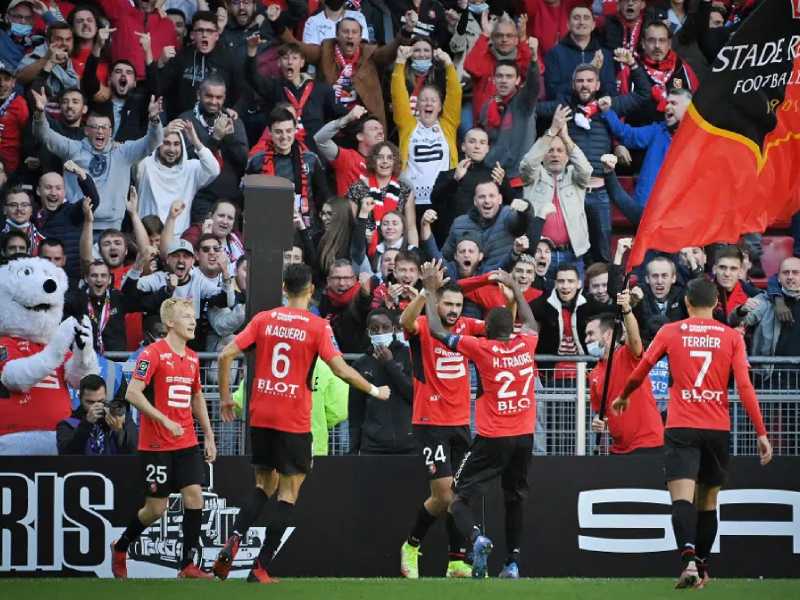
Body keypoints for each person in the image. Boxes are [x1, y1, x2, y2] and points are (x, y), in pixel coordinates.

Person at [212, 263, 390, 583]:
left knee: (262, 486)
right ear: (310, 291)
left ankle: (234, 542)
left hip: (261, 414)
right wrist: (375, 390)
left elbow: (225, 355)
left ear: (284, 287)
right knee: (288, 493)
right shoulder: (317, 326)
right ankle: (260, 567)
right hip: (293, 418)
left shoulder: (264, 319)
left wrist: (226, 397)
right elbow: (340, 370)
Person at [612, 278, 772, 588]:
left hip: (682, 425)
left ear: (686, 302)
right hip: (717, 428)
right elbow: (744, 386)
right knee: (709, 501)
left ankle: (688, 561)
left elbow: (642, 366)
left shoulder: (671, 332)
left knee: (681, 500)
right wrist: (761, 432)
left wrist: (625, 394)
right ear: (716, 304)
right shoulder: (731, 338)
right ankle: (703, 565)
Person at [422, 263, 540, 579]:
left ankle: (477, 538)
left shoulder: (481, 347)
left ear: (486, 328)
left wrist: (431, 291)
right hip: (525, 437)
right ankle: (512, 563)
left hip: (493, 438)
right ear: (513, 328)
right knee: (515, 498)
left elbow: (437, 332)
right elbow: (530, 321)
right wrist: (515, 288)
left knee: (457, 498)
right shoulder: (527, 344)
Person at [111, 297, 217, 580]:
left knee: (195, 497)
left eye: (193, 316)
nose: (193, 321)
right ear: (170, 322)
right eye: (186, 316)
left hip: (186, 442)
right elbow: (132, 393)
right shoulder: (152, 354)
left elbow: (197, 396)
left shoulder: (193, 358)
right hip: (156, 444)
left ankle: (187, 566)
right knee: (155, 509)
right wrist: (163, 419)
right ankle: (121, 547)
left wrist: (208, 435)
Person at [397, 262, 486, 578]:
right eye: (447, 303)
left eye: (458, 304)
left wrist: (508, 294)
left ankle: (456, 561)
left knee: (459, 493)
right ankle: (411, 545)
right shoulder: (422, 324)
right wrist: (426, 291)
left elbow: (500, 329)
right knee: (445, 494)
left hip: (461, 421)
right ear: (437, 304)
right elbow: (403, 320)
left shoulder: (467, 327)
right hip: (430, 421)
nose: (453, 309)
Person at [31, 87, 164, 232]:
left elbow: (153, 141)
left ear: (111, 131)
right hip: (78, 226)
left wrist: (154, 120)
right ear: (86, 130)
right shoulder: (73, 148)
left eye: (104, 127)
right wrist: (39, 113)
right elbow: (44, 135)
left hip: (112, 228)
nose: (100, 131)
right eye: (94, 127)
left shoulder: (124, 152)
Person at [586, 293, 664, 455]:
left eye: (591, 334)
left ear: (608, 335)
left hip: (647, 443)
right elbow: (604, 413)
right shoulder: (593, 373)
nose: (586, 339)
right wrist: (600, 422)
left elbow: (634, 338)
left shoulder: (627, 355)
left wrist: (627, 309)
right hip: (618, 448)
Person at [520, 105, 592, 276]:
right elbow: (528, 164)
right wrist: (552, 131)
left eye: (560, 151)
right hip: (539, 254)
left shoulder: (575, 176)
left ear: (567, 157)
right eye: (550, 151)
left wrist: (565, 137)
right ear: (543, 156)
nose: (555, 155)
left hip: (572, 254)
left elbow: (586, 170)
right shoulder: (533, 177)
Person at [392, 44, 461, 212]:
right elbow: (398, 94)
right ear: (417, 105)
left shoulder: (448, 125)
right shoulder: (407, 125)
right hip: (411, 200)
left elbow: (455, 93)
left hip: (443, 198)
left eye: (433, 100)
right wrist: (400, 62)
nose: (428, 103)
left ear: (440, 107)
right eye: (423, 100)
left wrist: (449, 64)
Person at [600, 87, 691, 213]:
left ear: (689, 109)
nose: (667, 107)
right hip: (647, 210)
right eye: (667, 103)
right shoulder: (657, 131)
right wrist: (607, 111)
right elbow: (627, 134)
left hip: (678, 213)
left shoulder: (698, 140)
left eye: (674, 103)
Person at [136, 118, 220, 236]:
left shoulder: (191, 169)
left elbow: (214, 169)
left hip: (178, 240)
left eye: (176, 144)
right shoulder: (146, 164)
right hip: (147, 237)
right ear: (159, 145)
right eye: (166, 143)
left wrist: (195, 140)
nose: (172, 149)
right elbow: (135, 152)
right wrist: (162, 132)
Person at [430, 127, 513, 245]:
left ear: (487, 148)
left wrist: (503, 184)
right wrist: (455, 180)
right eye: (472, 141)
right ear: (463, 146)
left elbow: (512, 206)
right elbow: (434, 200)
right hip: (453, 242)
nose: (477, 146)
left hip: (487, 242)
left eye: (482, 142)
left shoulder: (496, 175)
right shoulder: (449, 175)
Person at [349, 308, 415, 455]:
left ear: (393, 329)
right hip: (373, 447)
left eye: (385, 328)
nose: (380, 332)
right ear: (368, 332)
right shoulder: (360, 364)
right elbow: (355, 412)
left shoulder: (408, 356)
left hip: (409, 445)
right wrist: (353, 451)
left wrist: (390, 364)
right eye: (375, 329)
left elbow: (414, 395)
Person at [441, 179, 533, 272]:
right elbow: (445, 257)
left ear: (500, 199)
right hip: (468, 283)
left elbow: (521, 224)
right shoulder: (459, 224)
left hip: (500, 281)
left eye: (491, 196)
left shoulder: (508, 215)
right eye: (482, 197)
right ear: (475, 201)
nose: (487, 200)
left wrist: (524, 209)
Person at [544, 5, 616, 100]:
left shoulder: (605, 54)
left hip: (597, 110)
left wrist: (596, 74)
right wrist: (590, 68)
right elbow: (552, 92)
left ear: (593, 25)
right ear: (568, 25)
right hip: (566, 110)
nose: (581, 22)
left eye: (586, 18)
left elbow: (611, 91)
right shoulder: (554, 53)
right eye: (576, 18)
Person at [57, 373, 138, 455]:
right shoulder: (68, 424)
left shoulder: (119, 416)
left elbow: (134, 450)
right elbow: (66, 454)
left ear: (106, 396)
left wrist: (119, 431)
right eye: (90, 402)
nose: (96, 406)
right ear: (80, 398)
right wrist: (86, 424)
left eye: (100, 401)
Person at [314, 104, 386, 195]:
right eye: (374, 129)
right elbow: (320, 139)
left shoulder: (386, 164)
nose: (380, 132)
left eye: (382, 130)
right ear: (360, 136)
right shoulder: (348, 158)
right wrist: (346, 119)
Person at [0, 60, 29, 178]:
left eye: (6, 79)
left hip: (9, 167)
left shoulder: (20, 105)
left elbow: (27, 137)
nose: (1, 84)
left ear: (13, 82)